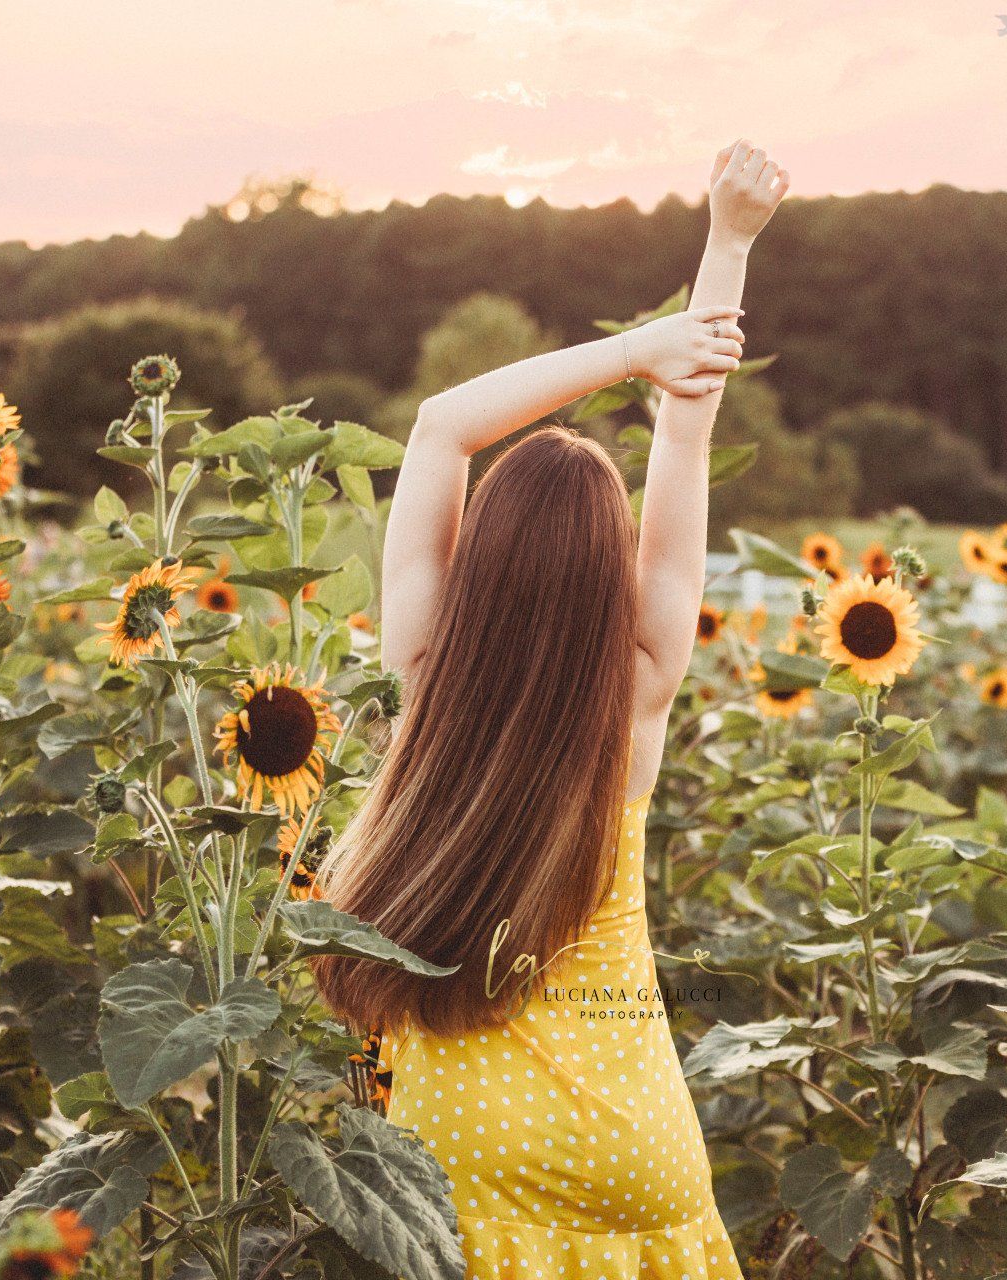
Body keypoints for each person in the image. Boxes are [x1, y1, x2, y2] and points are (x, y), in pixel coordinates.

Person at [315, 141, 788, 1279]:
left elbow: (437, 426)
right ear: (612, 571)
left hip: (466, 1144)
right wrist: (727, 240)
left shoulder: (426, 671)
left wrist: (631, 347)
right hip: (640, 1143)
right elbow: (687, 430)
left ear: (477, 560)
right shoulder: (636, 691)